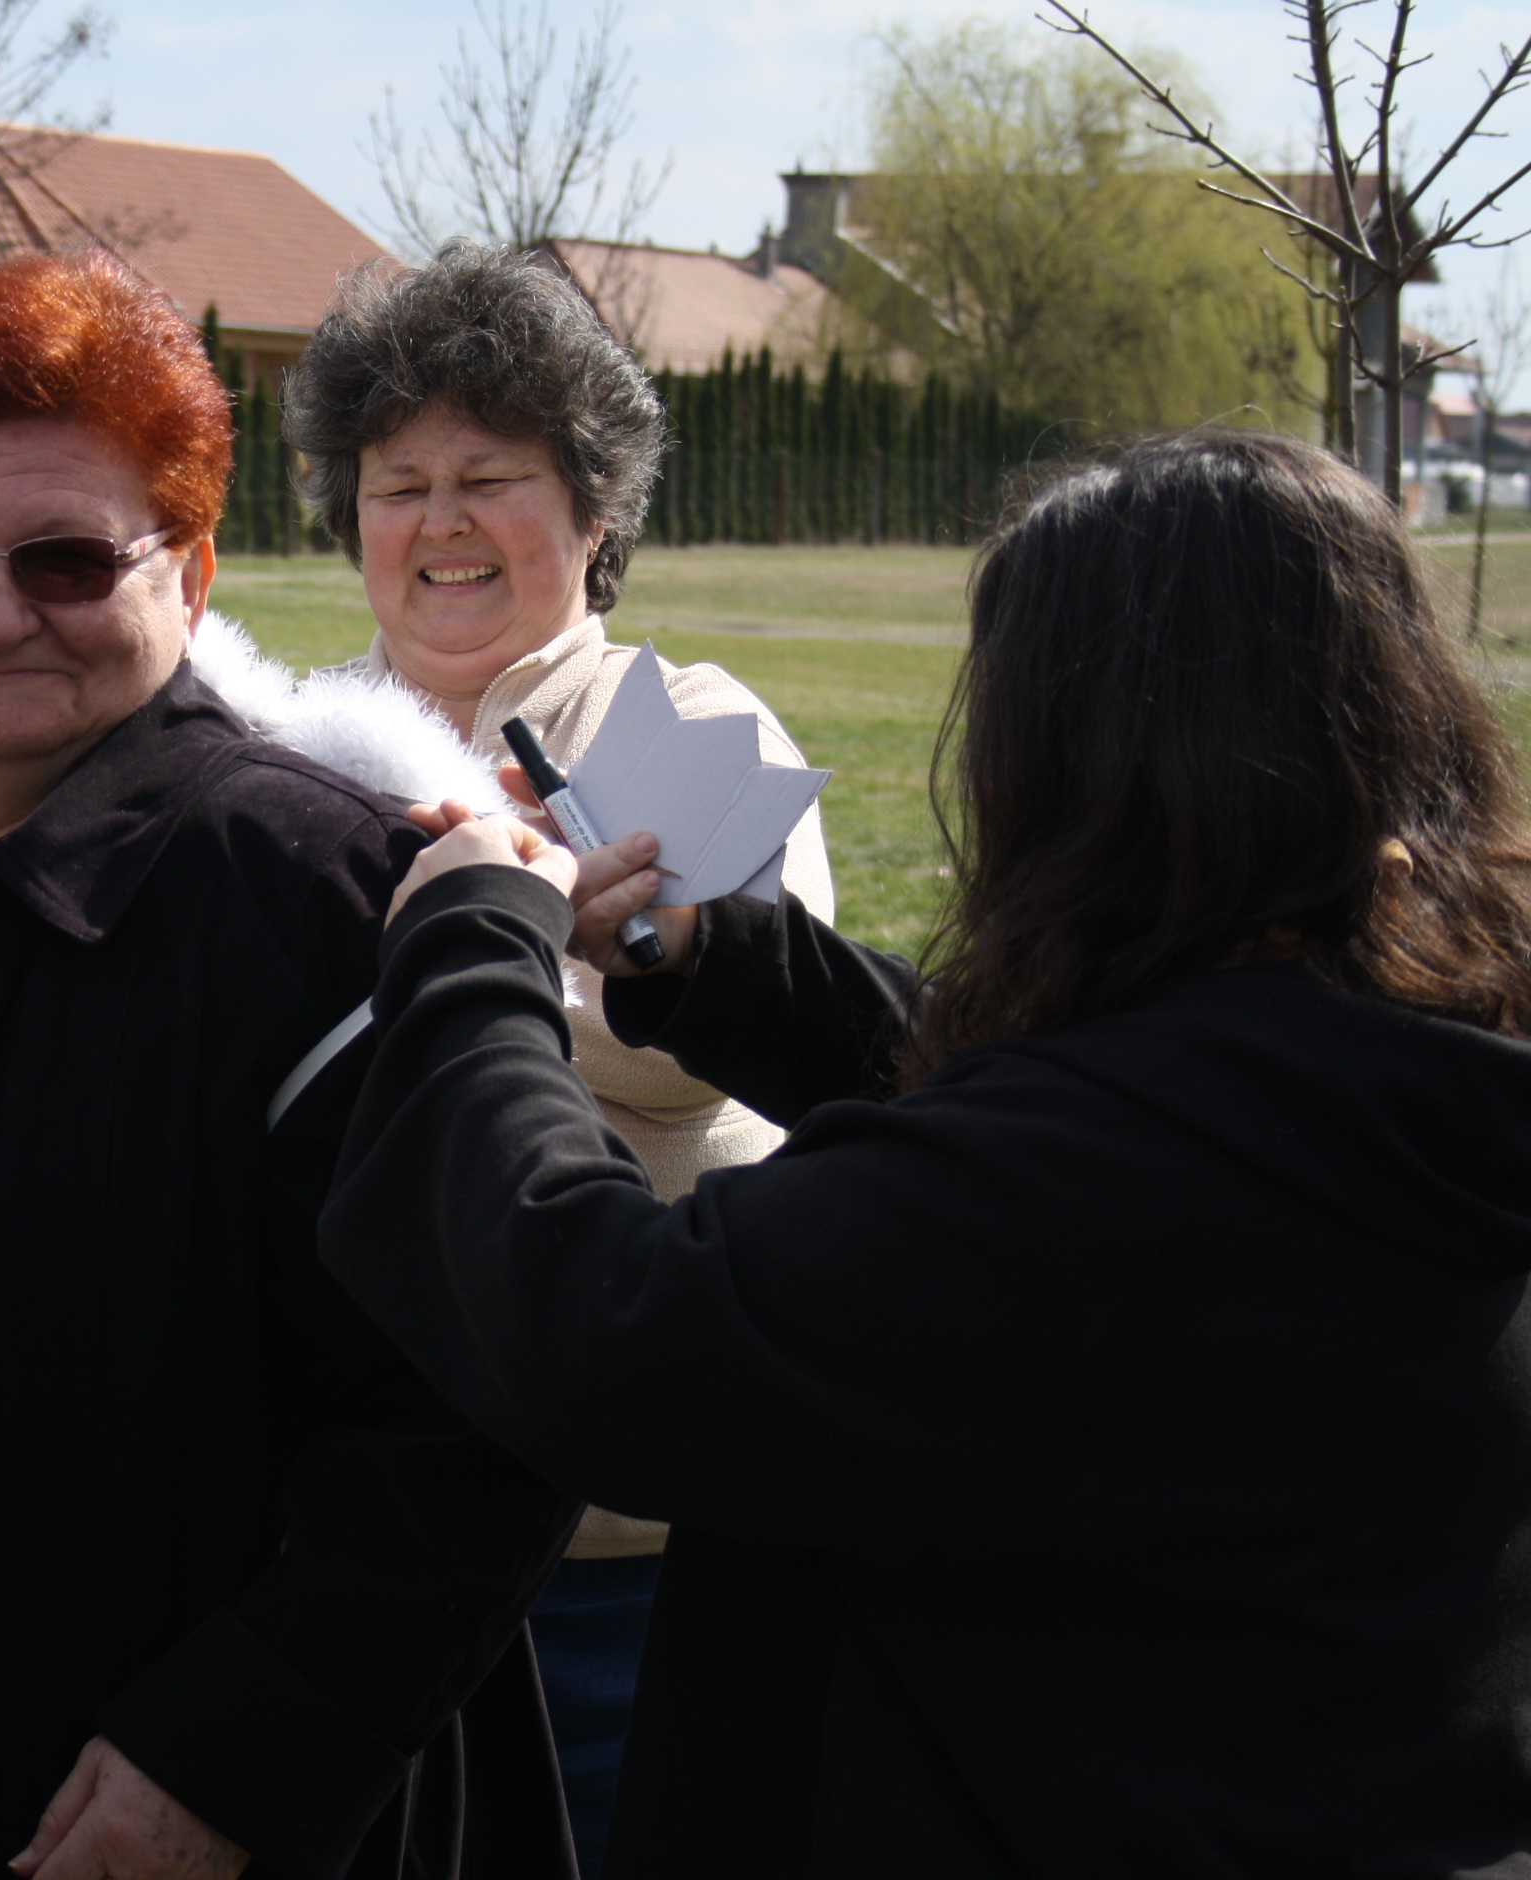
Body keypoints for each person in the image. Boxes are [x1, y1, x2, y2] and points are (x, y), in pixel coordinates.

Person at [321, 429, 1531, 1876]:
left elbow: (600, 1327)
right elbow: (1069, 1078)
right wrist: (706, 958)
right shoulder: (1419, 1052)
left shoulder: (1085, 1185)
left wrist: (469, 949)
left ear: (1080, 760)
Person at [0, 251, 581, 1880]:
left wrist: (248, 1746)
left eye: (66, 559)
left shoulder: (331, 901)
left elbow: (500, 1391)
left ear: (190, 579)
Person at [283, 237, 835, 1860]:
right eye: (399, 485)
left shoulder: (688, 727)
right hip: (336, 1543)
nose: (440, 523)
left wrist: (470, 962)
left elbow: (704, 1052)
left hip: (610, 1558)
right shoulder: (287, 744)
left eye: (491, 479)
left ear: (595, 513)